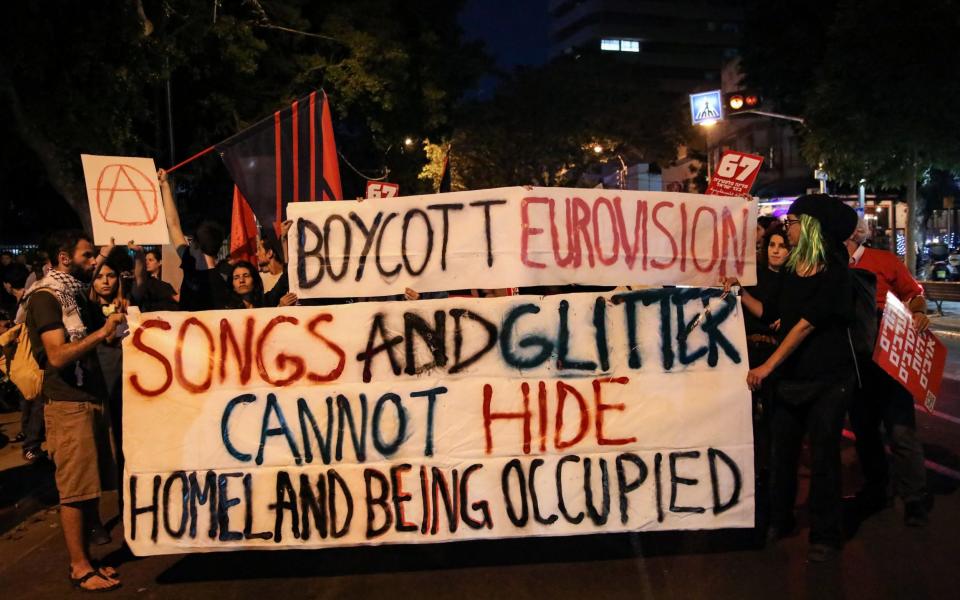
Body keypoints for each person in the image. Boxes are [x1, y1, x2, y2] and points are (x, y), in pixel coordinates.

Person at [724, 194, 858, 562]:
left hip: (828, 380)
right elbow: (773, 314)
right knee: (781, 456)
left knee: (824, 457)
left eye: (794, 220)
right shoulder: (791, 271)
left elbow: (804, 325)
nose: (787, 226)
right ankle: (778, 520)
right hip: (790, 380)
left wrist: (767, 367)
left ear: (813, 226)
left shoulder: (834, 272)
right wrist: (739, 292)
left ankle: (826, 534)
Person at [24, 230, 124, 591]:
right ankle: (80, 567)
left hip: (87, 400)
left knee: (90, 485)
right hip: (67, 405)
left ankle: (88, 561)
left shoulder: (72, 293)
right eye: (87, 256)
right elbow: (57, 355)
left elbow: (101, 333)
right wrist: (101, 335)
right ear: (65, 258)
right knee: (76, 489)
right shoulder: (48, 298)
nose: (94, 262)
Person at [845, 219, 933, 526]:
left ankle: (914, 498)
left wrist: (919, 312)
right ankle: (876, 487)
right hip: (856, 362)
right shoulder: (829, 267)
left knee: (900, 430)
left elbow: (914, 293)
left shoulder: (885, 261)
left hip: (890, 359)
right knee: (865, 430)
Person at [158, 168, 230, 311]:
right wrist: (165, 185)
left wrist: (165, 185)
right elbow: (172, 223)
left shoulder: (196, 268)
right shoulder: (218, 279)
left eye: (191, 241)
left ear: (196, 245)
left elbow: (173, 224)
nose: (187, 243)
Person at [2, 264, 46, 461]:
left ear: (8, 285)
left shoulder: (21, 306)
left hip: (21, 366)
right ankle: (31, 444)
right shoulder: (28, 304)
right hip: (31, 365)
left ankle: (28, 437)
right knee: (36, 404)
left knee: (29, 402)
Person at [257, 226, 298, 307]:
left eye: (259, 249)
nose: (256, 254)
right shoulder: (259, 279)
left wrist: (284, 239)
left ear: (269, 253)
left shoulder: (289, 276)